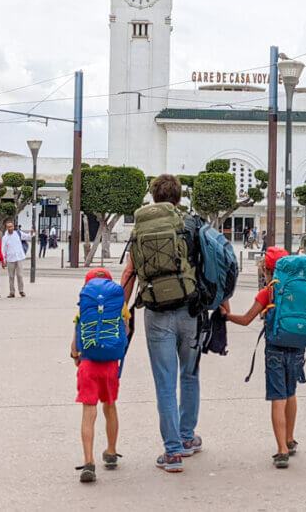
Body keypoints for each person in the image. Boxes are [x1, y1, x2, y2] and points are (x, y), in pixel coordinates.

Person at [121, 174, 204, 473]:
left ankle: (171, 454)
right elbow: (209, 265)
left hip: (155, 311)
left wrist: (124, 313)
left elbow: (130, 272)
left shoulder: (140, 227)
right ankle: (186, 438)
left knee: (165, 382)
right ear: (179, 198)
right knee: (190, 375)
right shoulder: (190, 224)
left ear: (153, 196)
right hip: (189, 310)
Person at [224, 246, 306, 469]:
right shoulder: (302, 288)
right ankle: (290, 440)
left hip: (275, 348)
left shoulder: (268, 292)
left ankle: (281, 450)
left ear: (266, 269)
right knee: (291, 393)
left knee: (277, 397)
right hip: (298, 347)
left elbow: (245, 319)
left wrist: (226, 316)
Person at [71, 267, 126, 483]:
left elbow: (75, 346)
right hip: (110, 365)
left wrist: (76, 356)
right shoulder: (118, 308)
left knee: (89, 411)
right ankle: (111, 452)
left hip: (88, 365)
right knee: (110, 406)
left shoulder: (83, 310)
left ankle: (88, 462)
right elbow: (125, 335)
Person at [0, 220, 27, 298]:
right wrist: (3, 261)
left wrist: (32, 233)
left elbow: (26, 236)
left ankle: (21, 290)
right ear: (6, 228)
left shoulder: (18, 234)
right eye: (8, 227)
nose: (10, 228)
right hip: (10, 259)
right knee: (11, 276)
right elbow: (3, 250)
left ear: (13, 227)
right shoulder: (5, 238)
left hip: (19, 257)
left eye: (11, 226)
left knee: (20, 275)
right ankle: (12, 292)